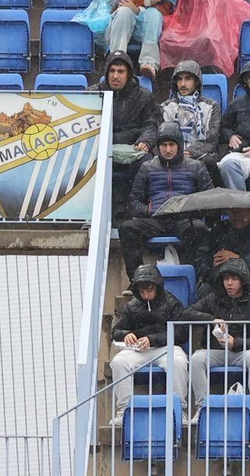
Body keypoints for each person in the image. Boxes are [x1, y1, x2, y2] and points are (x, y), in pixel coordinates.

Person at [121, 123, 213, 277]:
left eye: (171, 145)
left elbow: (209, 200)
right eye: (163, 145)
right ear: (158, 147)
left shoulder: (197, 166)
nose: (168, 149)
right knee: (127, 228)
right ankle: (138, 279)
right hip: (156, 220)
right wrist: (151, 210)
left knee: (200, 229)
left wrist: (188, 210)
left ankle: (199, 279)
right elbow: (133, 202)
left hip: (184, 221)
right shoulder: (147, 167)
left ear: (179, 146)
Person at [109, 263, 190, 427]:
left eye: (149, 290)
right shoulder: (131, 306)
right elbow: (116, 330)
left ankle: (178, 408)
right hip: (138, 349)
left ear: (157, 286)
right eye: (142, 291)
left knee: (179, 362)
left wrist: (152, 339)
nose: (146, 295)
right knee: (118, 362)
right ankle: (125, 409)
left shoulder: (172, 303)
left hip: (167, 347)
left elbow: (181, 333)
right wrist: (126, 334)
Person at [185, 258, 250, 421]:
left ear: (243, 281)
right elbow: (186, 313)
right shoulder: (213, 298)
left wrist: (236, 342)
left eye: (234, 278)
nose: (229, 283)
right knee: (196, 359)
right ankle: (203, 407)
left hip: (244, 352)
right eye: (226, 278)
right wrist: (211, 319)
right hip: (216, 351)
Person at [106, 52, 161, 219]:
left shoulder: (143, 96)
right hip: (103, 150)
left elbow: (150, 125)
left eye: (120, 71)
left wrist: (145, 141)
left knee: (148, 164)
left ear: (128, 74)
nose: (115, 76)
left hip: (134, 149)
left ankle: (139, 213)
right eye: (112, 71)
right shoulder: (95, 94)